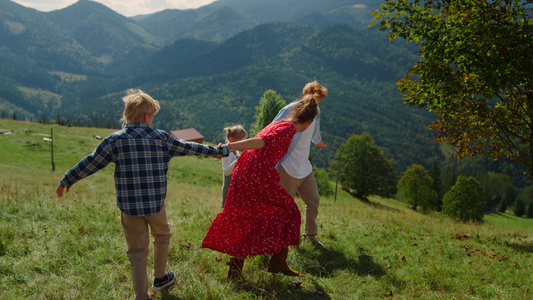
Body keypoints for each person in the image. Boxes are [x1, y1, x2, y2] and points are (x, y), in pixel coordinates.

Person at [55, 89, 229, 300]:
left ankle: (141, 295)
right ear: (147, 116)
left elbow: (91, 161)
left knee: (137, 250)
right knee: (162, 236)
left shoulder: (115, 140)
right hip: (156, 204)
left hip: (129, 207)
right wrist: (218, 151)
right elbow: (190, 147)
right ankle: (160, 278)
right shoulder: (161, 137)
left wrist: (68, 179)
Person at [202, 94, 319, 281]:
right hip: (257, 175)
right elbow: (259, 143)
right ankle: (277, 262)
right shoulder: (287, 130)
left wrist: (229, 147)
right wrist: (230, 147)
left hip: (249, 172)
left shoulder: (281, 123)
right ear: (309, 122)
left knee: (252, 217)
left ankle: (236, 271)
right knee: (290, 211)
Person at [271, 80, 328, 248]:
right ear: (303, 96)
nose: (316, 104)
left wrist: (318, 141)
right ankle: (278, 240)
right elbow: (272, 129)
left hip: (305, 167)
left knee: (313, 200)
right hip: (287, 167)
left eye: (318, 101)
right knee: (284, 206)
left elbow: (315, 129)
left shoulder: (316, 111)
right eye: (314, 99)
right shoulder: (288, 110)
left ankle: (310, 236)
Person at [221, 125, 248, 208]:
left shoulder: (236, 151)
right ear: (232, 140)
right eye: (241, 141)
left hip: (235, 187)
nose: (243, 143)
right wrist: (237, 161)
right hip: (229, 188)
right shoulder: (227, 152)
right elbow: (226, 171)